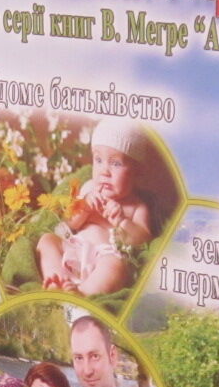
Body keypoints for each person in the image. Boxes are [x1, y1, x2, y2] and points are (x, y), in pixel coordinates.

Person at [36, 119, 155, 296]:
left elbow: (143, 239)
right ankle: (56, 280)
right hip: (74, 248)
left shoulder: (137, 206)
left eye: (116, 163)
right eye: (98, 160)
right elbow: (68, 226)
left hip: (105, 256)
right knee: (47, 240)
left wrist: (122, 222)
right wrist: (84, 207)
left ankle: (82, 294)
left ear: (137, 172)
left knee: (116, 265)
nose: (104, 171)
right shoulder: (88, 188)